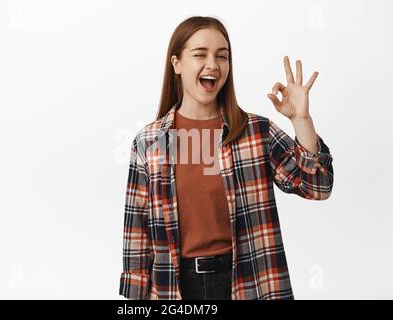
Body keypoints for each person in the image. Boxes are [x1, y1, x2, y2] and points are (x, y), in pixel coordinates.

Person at [119, 16, 334, 300]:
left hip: (249, 281)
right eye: (200, 54)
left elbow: (317, 187)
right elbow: (137, 235)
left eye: (222, 56)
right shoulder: (149, 143)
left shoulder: (257, 132)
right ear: (177, 64)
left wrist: (302, 120)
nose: (213, 64)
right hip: (174, 287)